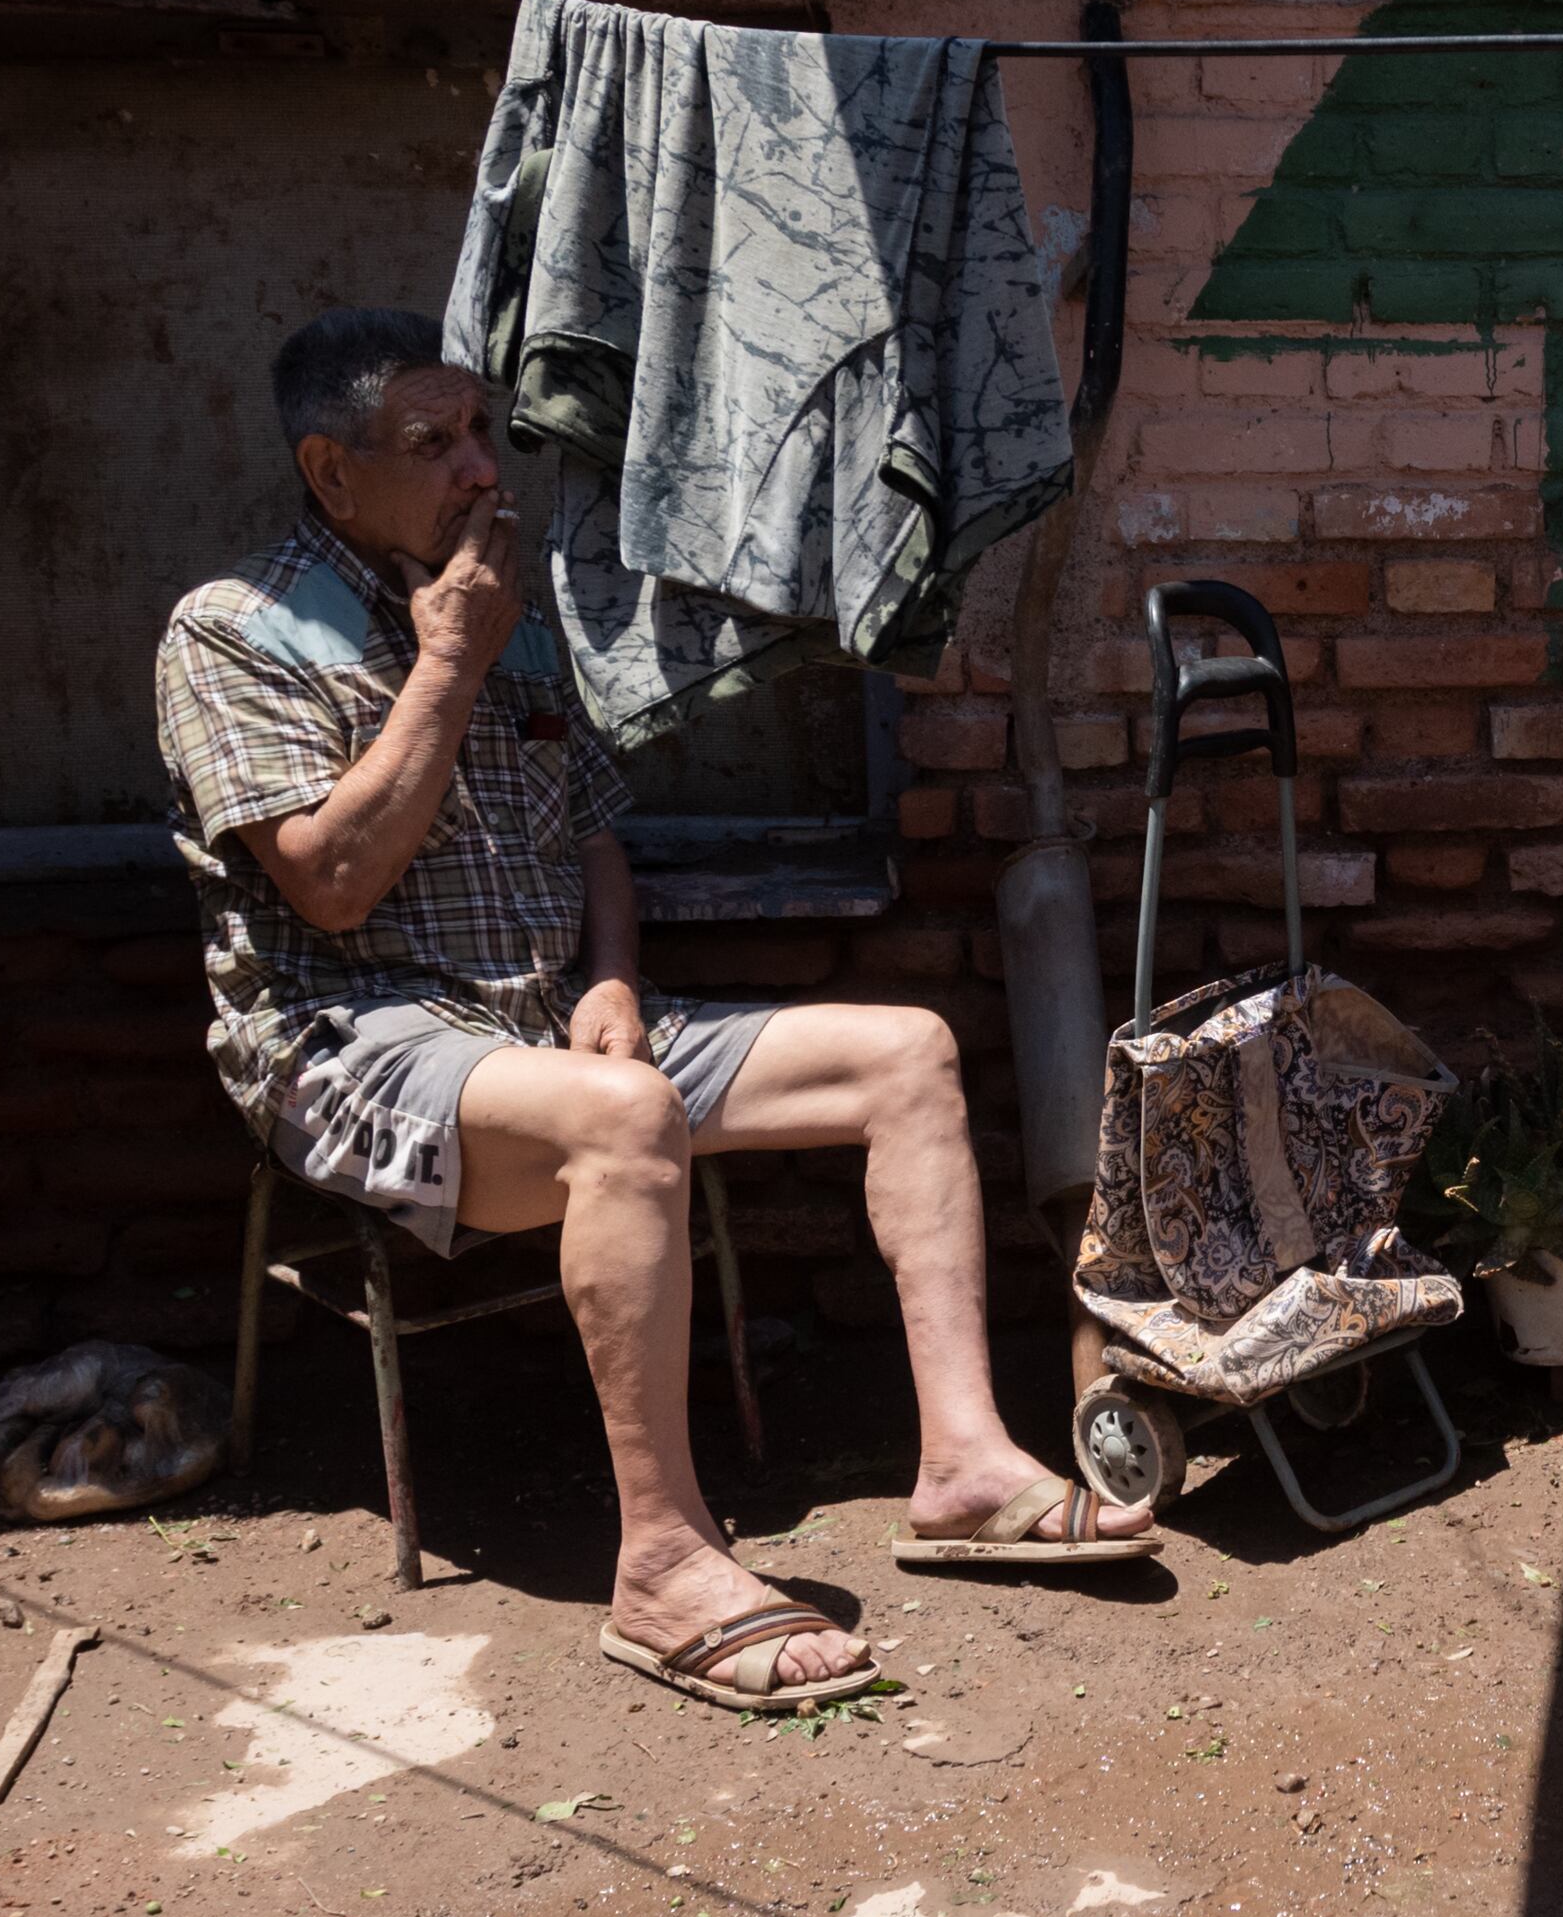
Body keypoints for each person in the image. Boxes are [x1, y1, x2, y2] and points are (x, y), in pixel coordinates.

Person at [155, 307, 1150, 1715]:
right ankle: (666, 1559)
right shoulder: (236, 632)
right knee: (624, 1120)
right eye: (433, 444)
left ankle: (966, 1461)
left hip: (549, 1019)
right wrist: (444, 664)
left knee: (906, 1053)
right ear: (331, 473)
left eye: (485, 432)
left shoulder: (511, 612)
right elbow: (325, 885)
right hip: (356, 1040)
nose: (482, 470)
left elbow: (595, 841)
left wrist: (613, 974)